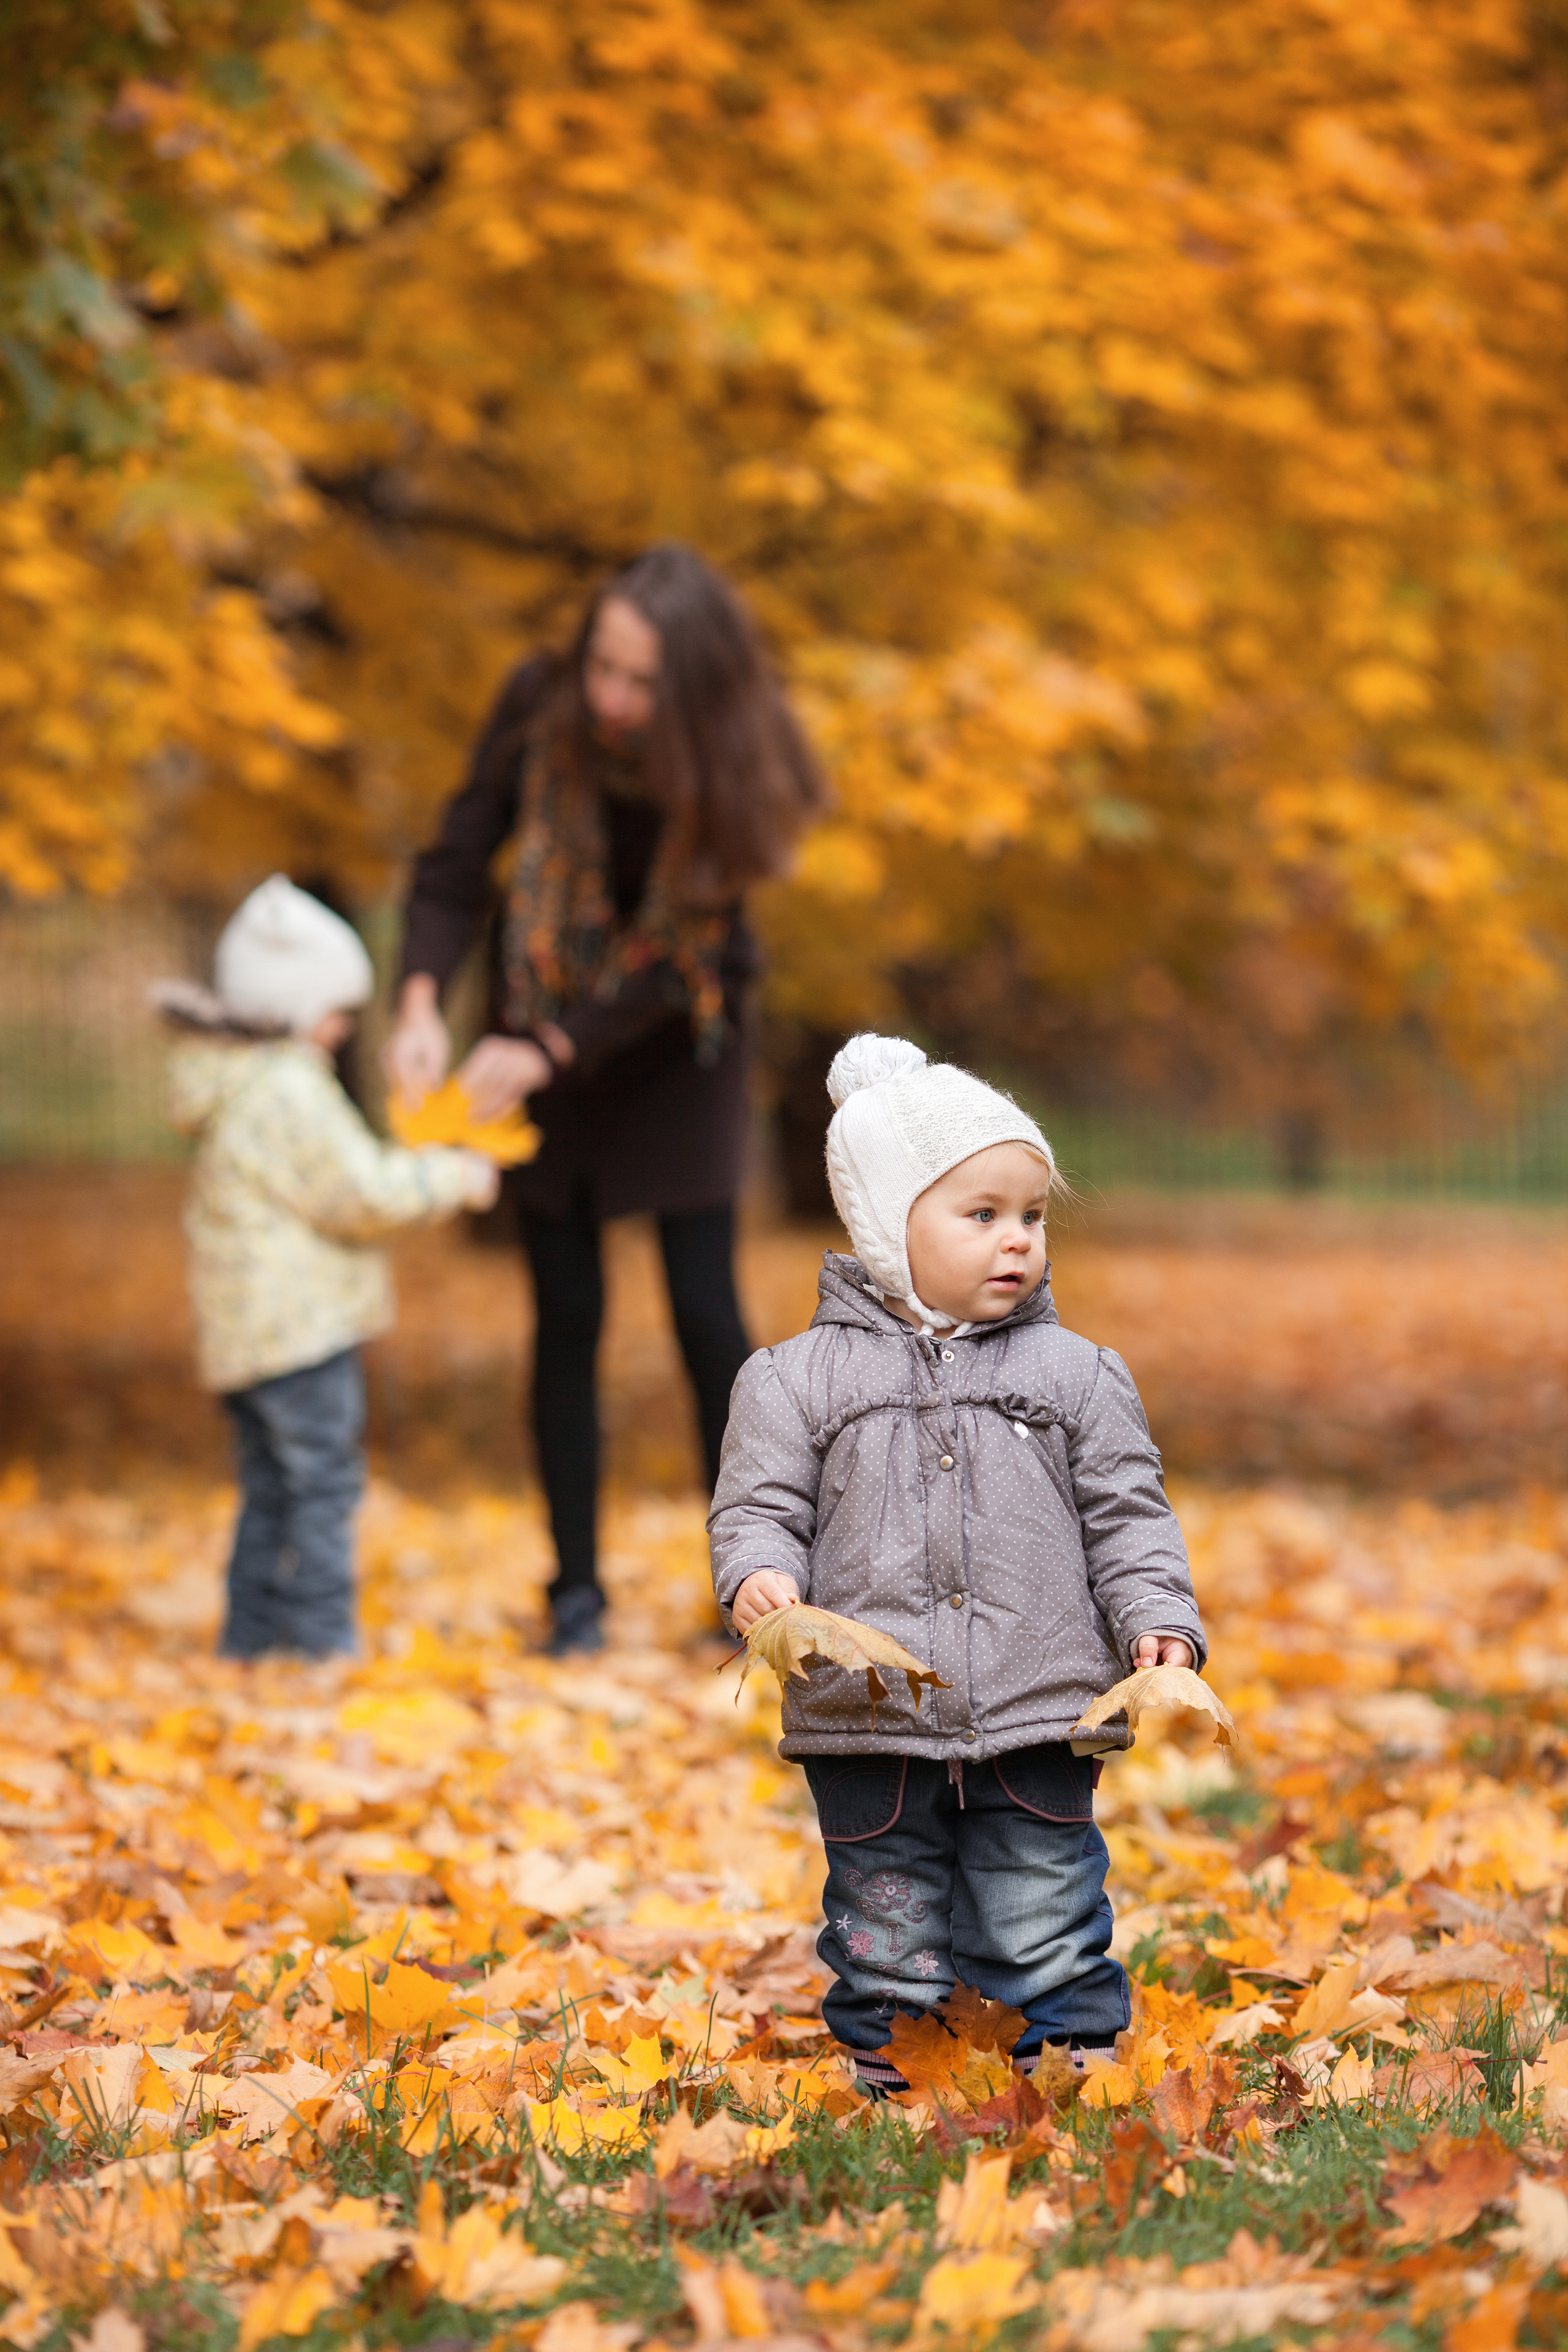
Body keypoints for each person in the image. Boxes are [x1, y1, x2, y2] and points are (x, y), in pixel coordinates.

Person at [708, 1034, 1205, 2094]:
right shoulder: (794, 1381)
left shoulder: (1076, 1375)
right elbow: (758, 1505)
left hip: (1041, 1702)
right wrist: (758, 1577)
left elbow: (1128, 1513)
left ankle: (1067, 2060)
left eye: (1031, 1216)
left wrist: (1157, 1615)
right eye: (981, 1216)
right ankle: (895, 2065)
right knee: (888, 1915)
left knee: (1041, 1904)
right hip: (868, 1709)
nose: (1017, 1240)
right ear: (889, 1228)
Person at [387, 542, 827, 1657]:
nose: (615, 701)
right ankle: (574, 1596)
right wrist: (423, 998)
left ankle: (755, 1592)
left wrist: (551, 1045)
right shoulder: (538, 708)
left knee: (702, 1313)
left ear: (691, 688)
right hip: (544, 1028)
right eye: (605, 669)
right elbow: (453, 863)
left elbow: (684, 961)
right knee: (567, 1311)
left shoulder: (740, 761)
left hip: (680, 1039)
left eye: (642, 683)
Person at [156, 876, 499, 1662]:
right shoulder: (288, 1090)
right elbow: (359, 1192)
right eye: (338, 1010)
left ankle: (247, 1643)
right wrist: (455, 1176)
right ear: (296, 1007)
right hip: (300, 1333)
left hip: (245, 1338)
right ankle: (318, 1645)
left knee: (271, 1489)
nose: (346, 1028)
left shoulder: (233, 1084)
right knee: (321, 1487)